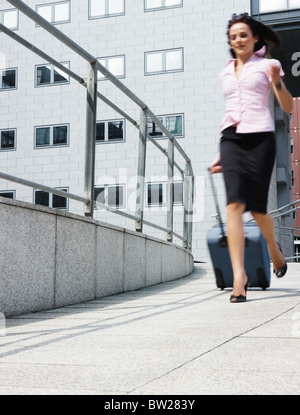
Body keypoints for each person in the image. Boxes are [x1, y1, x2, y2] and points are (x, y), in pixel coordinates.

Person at [210, 13, 293, 303]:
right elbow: (232, 109)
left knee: (257, 210)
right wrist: (222, 155)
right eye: (233, 37)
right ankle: (239, 277)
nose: (238, 40)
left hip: (260, 138)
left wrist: (278, 84)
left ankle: (274, 249)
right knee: (234, 204)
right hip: (231, 138)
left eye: (243, 35)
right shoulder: (225, 71)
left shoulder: (268, 65)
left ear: (255, 37)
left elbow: (288, 107)